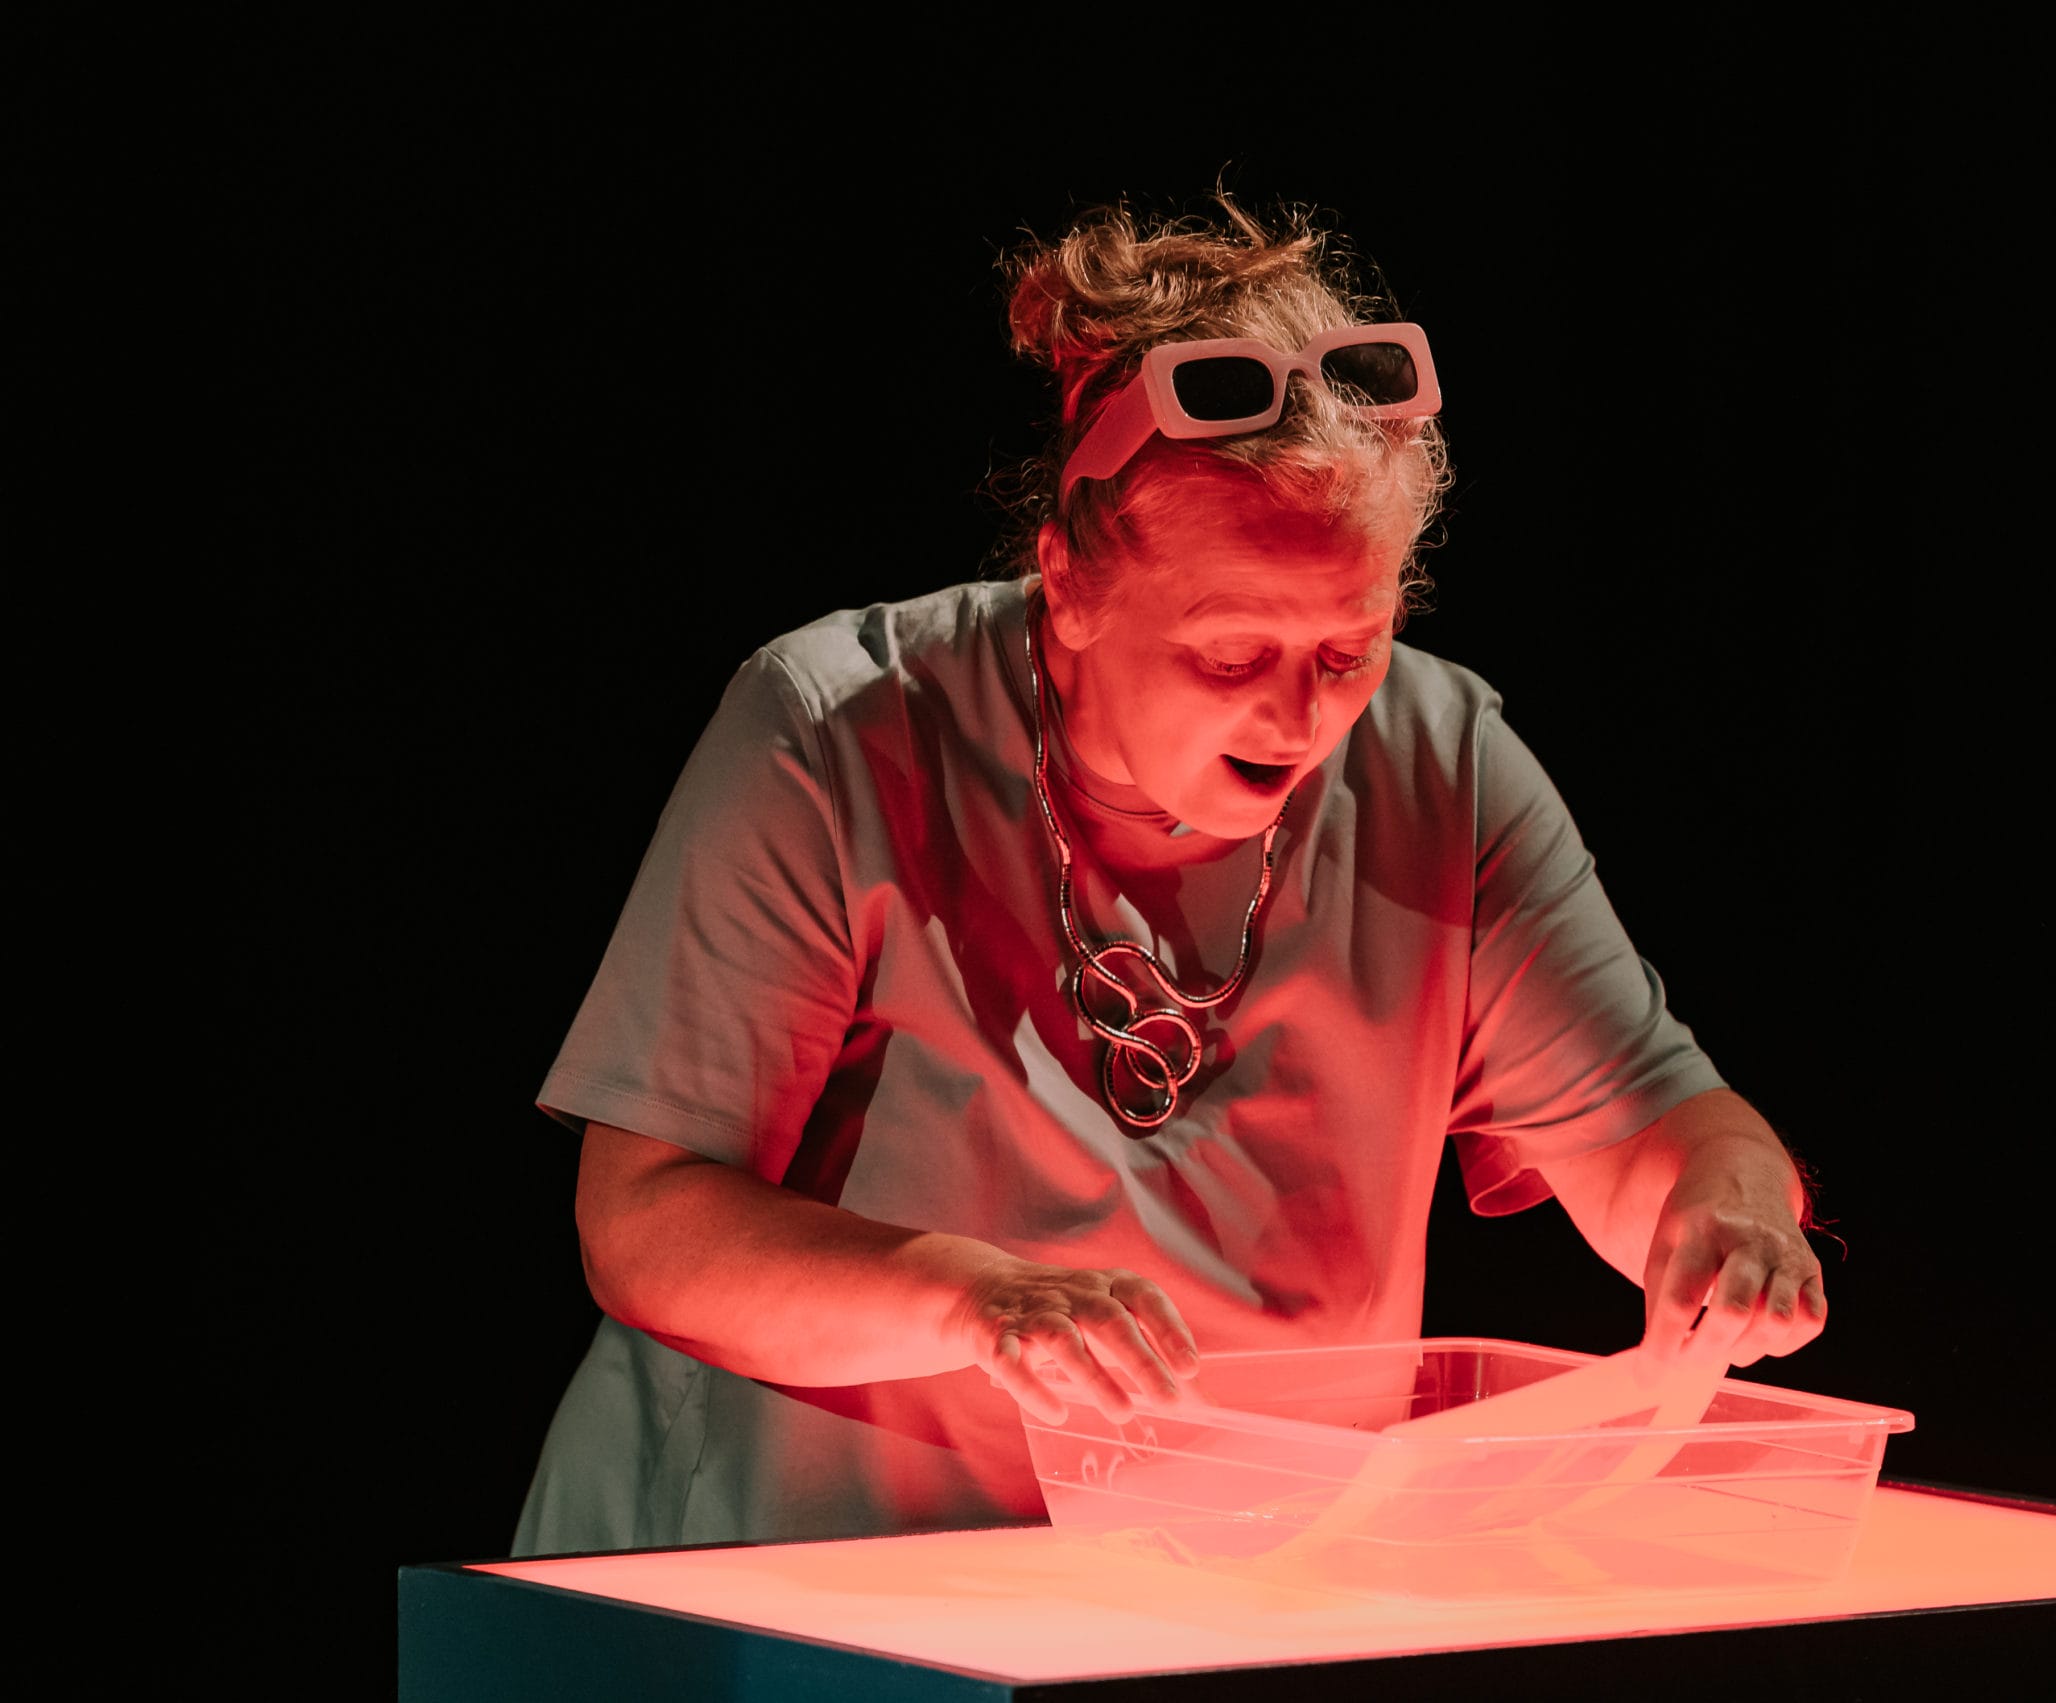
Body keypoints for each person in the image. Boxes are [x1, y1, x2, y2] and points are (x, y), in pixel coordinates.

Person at [512, 197, 1826, 1557]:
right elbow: (647, 1217)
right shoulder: (837, 734)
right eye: (1228, 655)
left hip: (1214, 1588)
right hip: (783, 1574)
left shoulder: (1446, 762)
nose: (1300, 717)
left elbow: (1655, 1127)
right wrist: (966, 1296)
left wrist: (1722, 1218)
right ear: (1067, 582)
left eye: (1350, 645)